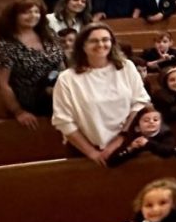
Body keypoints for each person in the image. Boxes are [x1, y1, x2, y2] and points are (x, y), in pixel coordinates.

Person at [51, 23, 150, 165]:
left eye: (105, 40)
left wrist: (120, 139)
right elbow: (64, 121)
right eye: (93, 41)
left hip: (127, 143)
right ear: (82, 46)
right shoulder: (67, 78)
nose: (101, 44)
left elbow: (139, 104)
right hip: (85, 151)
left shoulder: (126, 67)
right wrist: (92, 153)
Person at [0, 0, 66, 125]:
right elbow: (2, 84)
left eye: (36, 12)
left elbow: (60, 63)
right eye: (26, 12)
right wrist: (19, 112)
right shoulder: (5, 45)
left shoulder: (48, 34)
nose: (33, 16)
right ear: (14, 16)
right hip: (28, 104)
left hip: (57, 95)